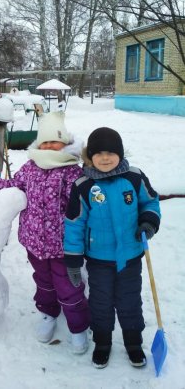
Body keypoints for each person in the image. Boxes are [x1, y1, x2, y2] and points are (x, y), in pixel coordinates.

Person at [63, 127, 161, 369]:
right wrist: (73, 259)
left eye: (110, 152)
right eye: (99, 153)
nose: (105, 158)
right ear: (90, 157)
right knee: (100, 302)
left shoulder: (134, 178)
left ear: (119, 153)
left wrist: (148, 222)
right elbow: (74, 223)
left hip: (130, 256)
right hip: (98, 259)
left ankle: (133, 342)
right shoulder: (83, 185)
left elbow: (150, 201)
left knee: (130, 301)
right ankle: (103, 342)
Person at [0, 111, 90, 354]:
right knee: (44, 283)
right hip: (34, 241)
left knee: (69, 285)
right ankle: (48, 314)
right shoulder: (30, 167)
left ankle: (78, 326)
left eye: (54, 141)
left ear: (65, 143)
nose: (49, 146)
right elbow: (14, 186)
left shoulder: (72, 171)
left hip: (64, 246)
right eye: (44, 141)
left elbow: (83, 205)